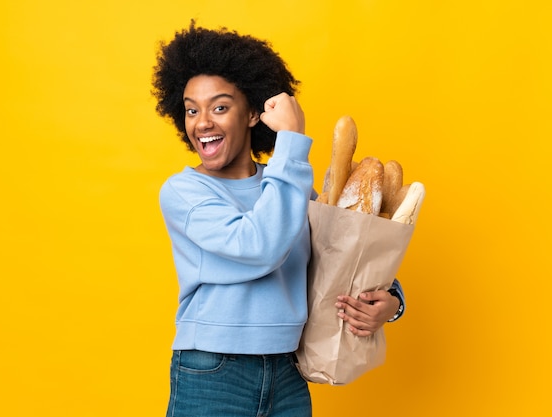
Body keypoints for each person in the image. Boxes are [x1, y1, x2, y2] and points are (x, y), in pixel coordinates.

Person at [151, 21, 405, 417]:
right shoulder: (184, 193)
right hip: (214, 373)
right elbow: (259, 247)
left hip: (288, 371)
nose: (202, 122)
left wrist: (391, 303)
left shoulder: (286, 183)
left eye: (220, 107)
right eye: (191, 110)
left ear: (253, 112)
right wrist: (292, 141)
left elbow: (341, 254)